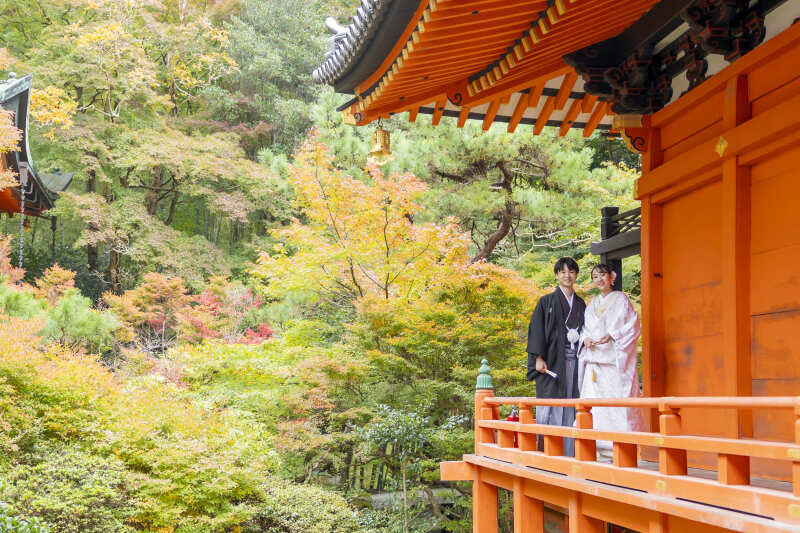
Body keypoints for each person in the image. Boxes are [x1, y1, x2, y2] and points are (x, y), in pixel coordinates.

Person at [579, 264, 644, 452]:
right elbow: (585, 329)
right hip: (595, 362)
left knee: (617, 404)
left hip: (614, 361)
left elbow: (633, 326)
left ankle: (622, 447)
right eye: (595, 276)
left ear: (611, 277)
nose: (599, 279)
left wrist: (614, 334)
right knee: (596, 405)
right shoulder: (592, 305)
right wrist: (586, 339)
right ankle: (598, 446)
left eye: (602, 275)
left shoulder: (621, 299)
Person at [526, 257, 586, 456]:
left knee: (571, 403)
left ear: (576, 275)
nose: (567, 275)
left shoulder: (580, 303)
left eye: (571, 272)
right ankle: (549, 453)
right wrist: (538, 357)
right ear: (557, 275)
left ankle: (570, 453)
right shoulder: (547, 301)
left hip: (576, 361)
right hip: (552, 362)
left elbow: (588, 330)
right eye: (563, 272)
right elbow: (536, 330)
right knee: (551, 404)